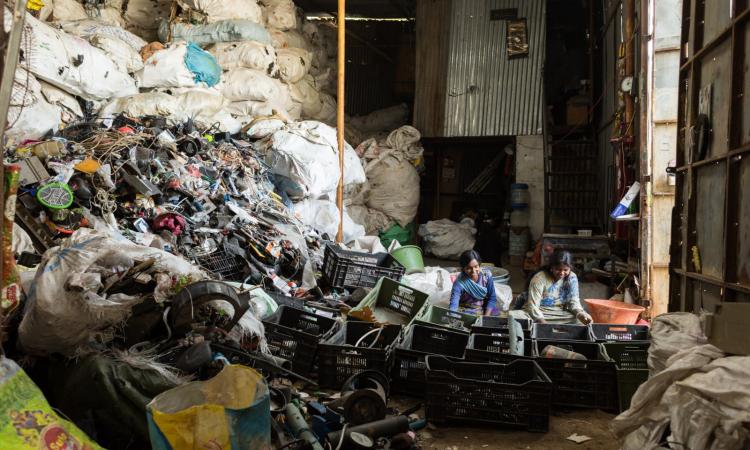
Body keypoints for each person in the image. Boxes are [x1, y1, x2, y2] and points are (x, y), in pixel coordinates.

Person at [523, 249, 592, 324]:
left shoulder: (572, 277)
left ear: (570, 268)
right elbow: (533, 307)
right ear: (551, 267)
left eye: (565, 270)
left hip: (560, 313)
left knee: (581, 320)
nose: (562, 273)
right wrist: (544, 325)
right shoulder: (539, 279)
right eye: (558, 269)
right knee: (519, 318)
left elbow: (573, 301)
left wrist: (580, 314)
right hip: (539, 312)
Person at [449, 250, 497, 315]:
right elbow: (454, 304)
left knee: (497, 314)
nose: (473, 271)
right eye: (469, 268)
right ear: (463, 269)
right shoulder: (459, 283)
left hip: (483, 308)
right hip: (465, 310)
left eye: (476, 266)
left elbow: (492, 298)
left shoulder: (486, 276)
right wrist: (453, 316)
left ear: (479, 265)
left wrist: (486, 317)